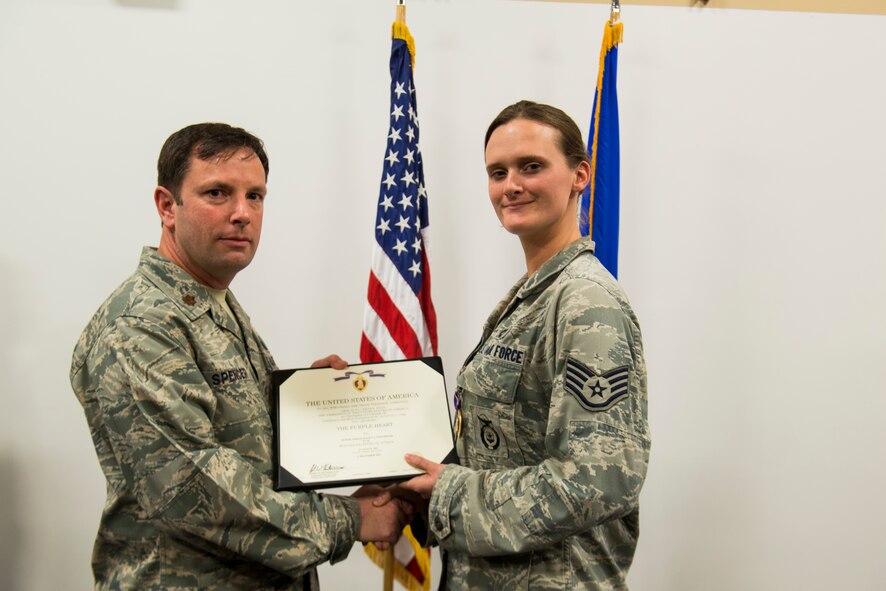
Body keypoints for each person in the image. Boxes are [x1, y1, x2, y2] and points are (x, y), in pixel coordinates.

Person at [70, 123, 410, 590]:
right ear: (167, 206)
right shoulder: (139, 324)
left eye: (255, 196)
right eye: (217, 193)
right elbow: (191, 490)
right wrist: (350, 519)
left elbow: (239, 446)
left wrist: (308, 412)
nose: (242, 213)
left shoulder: (211, 301)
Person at [397, 101, 651, 589]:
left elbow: (597, 481)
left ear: (580, 175)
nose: (510, 185)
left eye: (531, 167)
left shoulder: (586, 302)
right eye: (498, 172)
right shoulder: (533, 295)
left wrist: (447, 493)